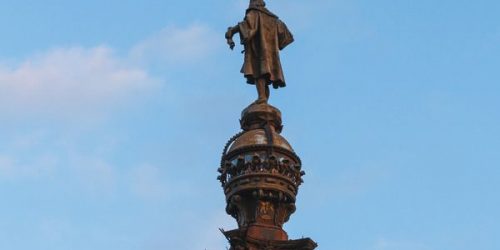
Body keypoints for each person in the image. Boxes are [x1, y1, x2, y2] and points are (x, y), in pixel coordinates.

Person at [226, 0, 294, 104]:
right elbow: (285, 34)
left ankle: (262, 97)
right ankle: (263, 98)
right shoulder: (272, 18)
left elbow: (248, 26)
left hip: (258, 52)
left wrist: (231, 31)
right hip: (270, 55)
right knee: (264, 77)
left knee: (259, 74)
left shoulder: (254, 13)